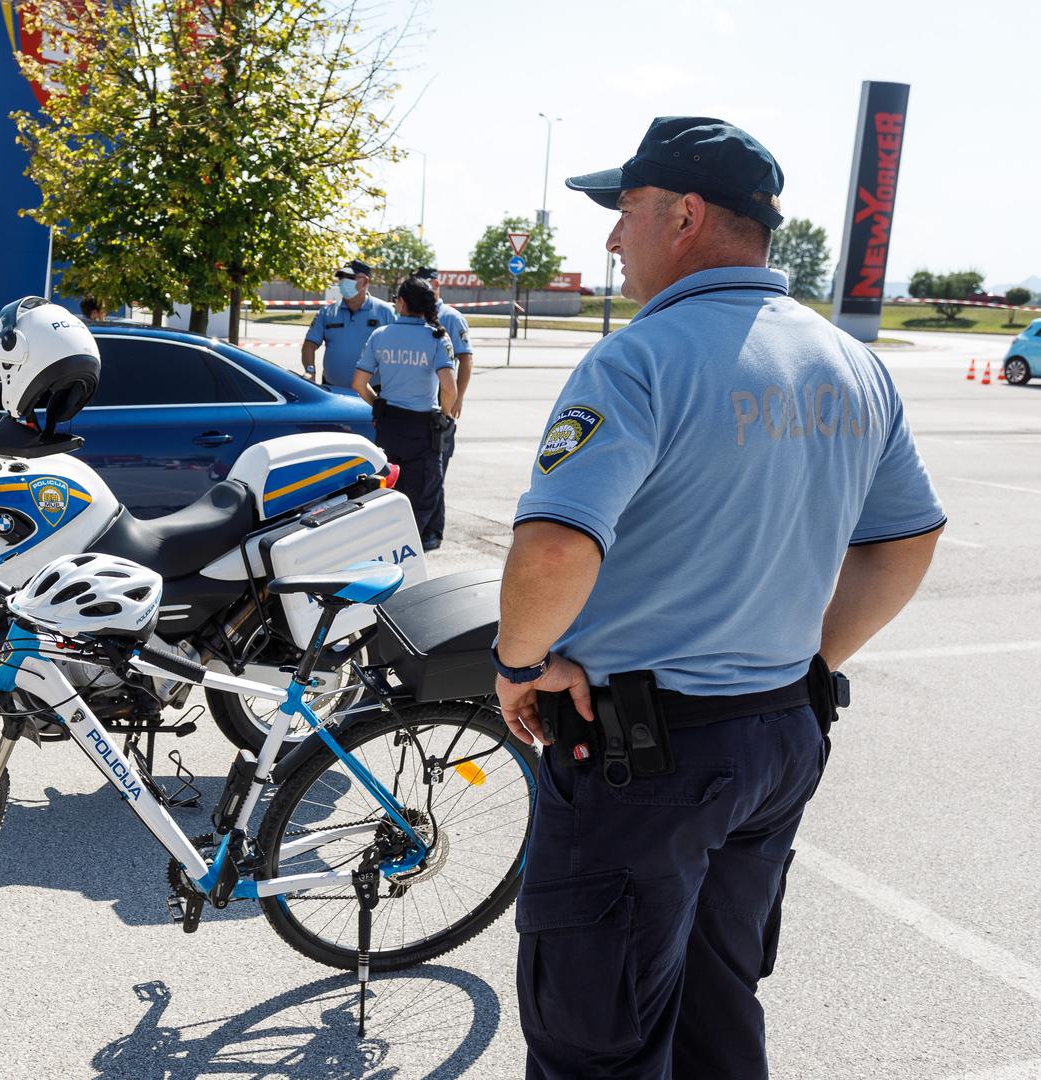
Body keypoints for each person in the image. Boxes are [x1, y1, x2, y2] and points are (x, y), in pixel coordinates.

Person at [491, 116, 944, 1079]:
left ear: (685, 213)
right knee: (713, 1009)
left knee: (596, 1041)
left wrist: (518, 663)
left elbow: (554, 546)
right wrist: (808, 659)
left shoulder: (639, 358)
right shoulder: (849, 364)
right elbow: (907, 538)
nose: (611, 239)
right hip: (777, 736)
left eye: (623, 213)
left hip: (644, 760)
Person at [352, 276, 457, 541]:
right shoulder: (437, 338)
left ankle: (386, 544)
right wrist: (444, 415)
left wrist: (379, 405)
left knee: (387, 489)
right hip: (423, 429)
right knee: (423, 494)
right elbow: (449, 388)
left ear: (400, 303)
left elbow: (359, 383)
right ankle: (410, 546)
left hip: (389, 426)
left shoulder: (380, 335)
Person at [412, 267, 473, 549]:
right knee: (420, 472)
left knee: (436, 471)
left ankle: (432, 531)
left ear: (436, 285)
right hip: (416, 407)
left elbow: (465, 358)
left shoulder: (450, 317)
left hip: (441, 405)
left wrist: (457, 398)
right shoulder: (414, 313)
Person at [302, 259, 395, 389]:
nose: (343, 281)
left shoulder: (386, 312)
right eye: (341, 277)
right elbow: (309, 345)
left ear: (365, 281)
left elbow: (398, 350)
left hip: (372, 393)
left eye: (350, 277)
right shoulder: (327, 312)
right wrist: (310, 370)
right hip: (332, 390)